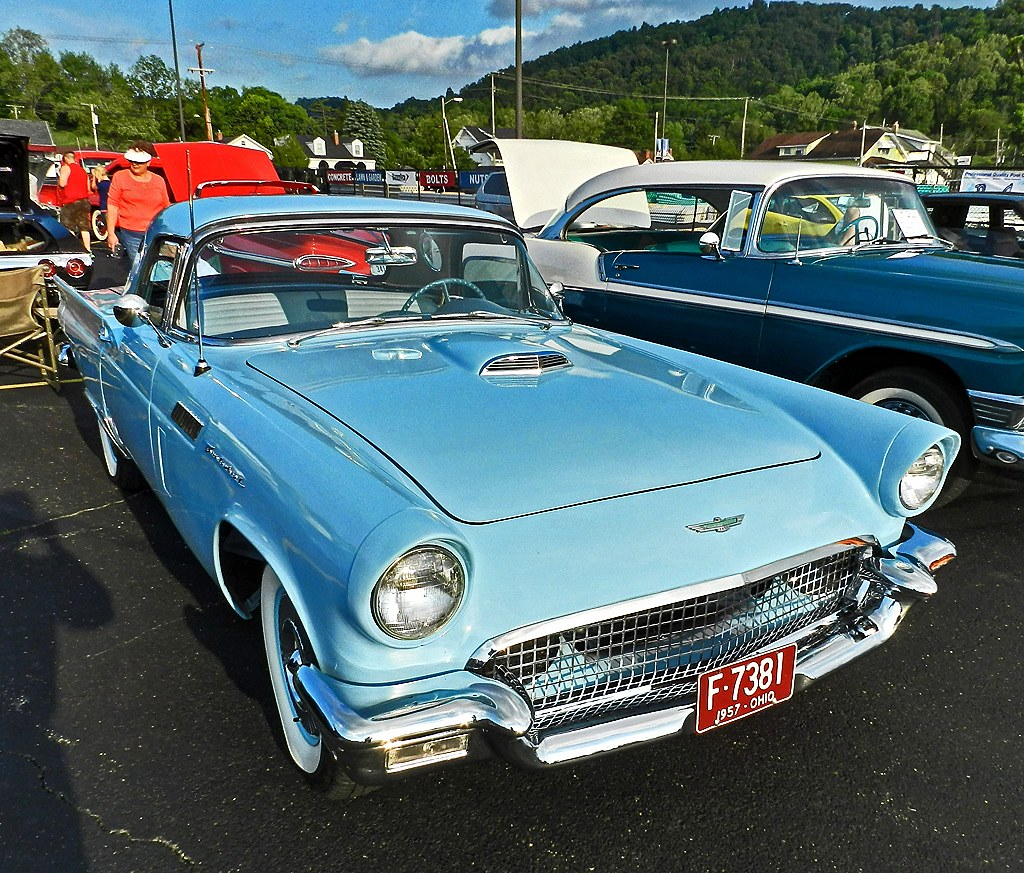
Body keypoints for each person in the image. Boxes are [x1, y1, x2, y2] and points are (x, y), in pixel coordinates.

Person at [106, 141, 170, 263]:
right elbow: (112, 205)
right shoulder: (120, 177)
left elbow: (165, 207)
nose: (135, 164)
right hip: (132, 233)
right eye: (132, 161)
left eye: (139, 162)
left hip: (156, 231)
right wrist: (111, 234)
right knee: (140, 265)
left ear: (148, 162)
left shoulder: (159, 180)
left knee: (162, 265)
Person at [57, 152, 92, 250]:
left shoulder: (66, 168)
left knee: (68, 226)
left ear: (65, 158)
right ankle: (88, 249)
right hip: (84, 201)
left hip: (70, 202)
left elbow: (62, 183)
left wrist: (59, 181)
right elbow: (88, 187)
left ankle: (72, 248)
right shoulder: (83, 170)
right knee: (84, 227)